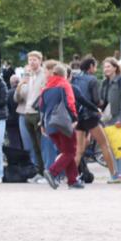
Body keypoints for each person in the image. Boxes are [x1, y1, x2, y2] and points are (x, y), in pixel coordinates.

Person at [71, 57, 120, 183]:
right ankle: (114, 175)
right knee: (105, 145)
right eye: (95, 66)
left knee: (79, 150)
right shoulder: (92, 79)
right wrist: (102, 104)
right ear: (91, 66)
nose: (96, 69)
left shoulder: (75, 79)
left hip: (79, 117)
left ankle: (71, 177)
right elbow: (96, 100)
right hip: (90, 117)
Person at [39, 61, 81, 189]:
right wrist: (74, 118)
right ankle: (52, 172)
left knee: (66, 151)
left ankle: (73, 180)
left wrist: (43, 125)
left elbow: (41, 108)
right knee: (71, 151)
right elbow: (70, 103)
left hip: (50, 125)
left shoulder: (45, 89)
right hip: (62, 123)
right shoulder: (64, 85)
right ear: (64, 75)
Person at [14, 51, 47, 181]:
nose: (32, 62)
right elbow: (17, 99)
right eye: (30, 60)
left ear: (40, 60)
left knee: (41, 145)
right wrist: (20, 85)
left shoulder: (43, 75)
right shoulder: (28, 76)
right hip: (26, 113)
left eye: (34, 60)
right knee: (32, 146)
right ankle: (37, 172)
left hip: (37, 113)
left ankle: (45, 172)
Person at [99, 56, 121, 180]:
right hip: (107, 117)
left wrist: (120, 118)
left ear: (115, 68)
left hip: (117, 117)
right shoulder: (104, 83)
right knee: (110, 146)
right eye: (104, 67)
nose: (106, 69)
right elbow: (102, 101)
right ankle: (115, 173)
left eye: (108, 66)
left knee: (119, 145)